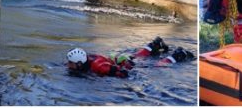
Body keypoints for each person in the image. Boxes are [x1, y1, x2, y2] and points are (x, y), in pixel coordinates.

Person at [65, 38, 194, 77]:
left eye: (70, 63)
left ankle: (178, 55)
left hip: (122, 65)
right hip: (117, 60)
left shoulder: (100, 66)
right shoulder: (86, 59)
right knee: (137, 56)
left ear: (79, 63)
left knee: (155, 67)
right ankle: (154, 44)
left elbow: (122, 73)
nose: (68, 64)